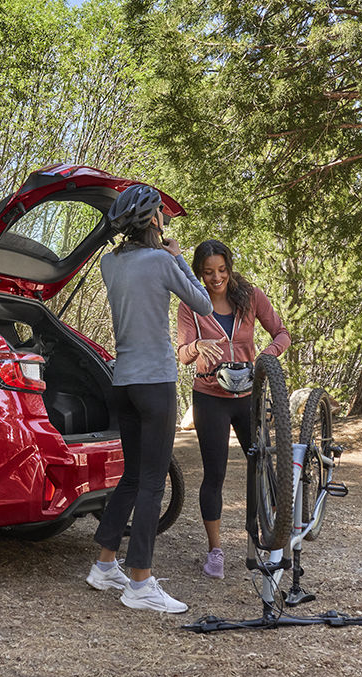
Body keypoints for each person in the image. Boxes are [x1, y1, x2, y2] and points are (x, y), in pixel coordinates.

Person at [85, 184, 213, 614]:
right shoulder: (162, 261)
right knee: (152, 482)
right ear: (154, 220)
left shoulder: (109, 264)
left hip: (122, 382)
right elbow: (202, 303)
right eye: (160, 213)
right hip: (156, 383)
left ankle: (104, 566)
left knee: (133, 478)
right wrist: (178, 256)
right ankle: (139, 581)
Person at [176, 239, 290, 579]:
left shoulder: (250, 295)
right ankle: (215, 552)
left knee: (264, 466)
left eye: (222, 270)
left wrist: (266, 357)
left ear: (230, 266)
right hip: (210, 397)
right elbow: (181, 353)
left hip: (248, 398)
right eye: (208, 272)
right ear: (198, 273)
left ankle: (272, 539)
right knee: (215, 476)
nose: (216, 278)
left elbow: (281, 333)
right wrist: (196, 346)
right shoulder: (191, 304)